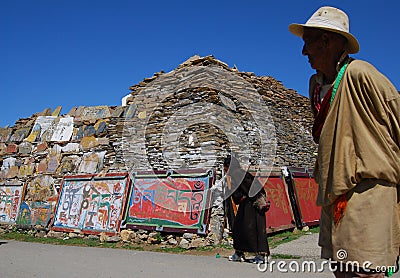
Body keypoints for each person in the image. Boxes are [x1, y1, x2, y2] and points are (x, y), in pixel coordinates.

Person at [289, 6, 400, 277]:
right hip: (334, 193)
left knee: (365, 271)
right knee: (341, 268)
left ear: (327, 40)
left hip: (368, 190)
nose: (304, 52)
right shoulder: (316, 85)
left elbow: (396, 113)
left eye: (308, 43)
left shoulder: (360, 74)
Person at [223, 155, 270, 263]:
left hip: (251, 206)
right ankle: (240, 253)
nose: (224, 169)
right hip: (252, 205)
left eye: (225, 167)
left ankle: (260, 256)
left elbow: (237, 195)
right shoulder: (241, 173)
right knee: (242, 229)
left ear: (229, 166)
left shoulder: (235, 174)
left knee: (251, 230)